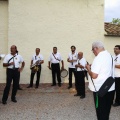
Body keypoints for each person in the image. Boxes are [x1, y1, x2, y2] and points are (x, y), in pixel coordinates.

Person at [86, 41, 115, 120]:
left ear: (96, 48)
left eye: (93, 50)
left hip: (100, 90)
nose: (93, 52)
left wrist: (88, 69)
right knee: (106, 111)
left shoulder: (98, 58)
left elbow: (94, 76)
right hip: (110, 87)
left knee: (101, 113)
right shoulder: (110, 55)